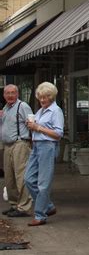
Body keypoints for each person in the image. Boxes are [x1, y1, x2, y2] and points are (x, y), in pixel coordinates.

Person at [25, 82, 64, 226]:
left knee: (43, 183)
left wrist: (38, 128)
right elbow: (37, 127)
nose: (42, 100)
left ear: (52, 96)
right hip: (36, 146)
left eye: (46, 97)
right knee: (28, 179)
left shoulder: (56, 111)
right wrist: (31, 126)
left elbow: (58, 134)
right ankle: (48, 206)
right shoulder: (40, 111)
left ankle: (40, 215)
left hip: (47, 146)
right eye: (40, 97)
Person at [1, 84, 33, 217]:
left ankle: (24, 207)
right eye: (7, 93)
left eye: (13, 93)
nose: (10, 95)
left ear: (17, 94)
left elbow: (31, 122)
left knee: (21, 177)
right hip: (7, 145)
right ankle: (14, 204)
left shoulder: (23, 106)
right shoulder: (6, 108)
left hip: (20, 144)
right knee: (9, 178)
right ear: (3, 95)